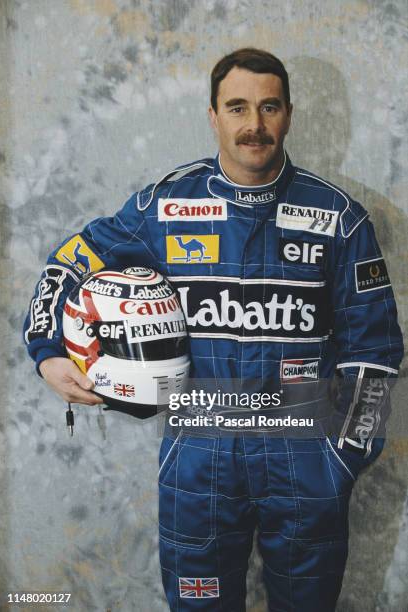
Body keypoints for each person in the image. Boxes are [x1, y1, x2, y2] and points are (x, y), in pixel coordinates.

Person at [24, 48, 403, 611]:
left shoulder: (340, 218)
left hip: (306, 460)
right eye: (237, 107)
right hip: (199, 457)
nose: (254, 124)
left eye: (269, 107)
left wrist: (343, 457)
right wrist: (49, 350)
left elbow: (375, 351)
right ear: (213, 115)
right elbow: (70, 261)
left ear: (289, 114)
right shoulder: (165, 205)